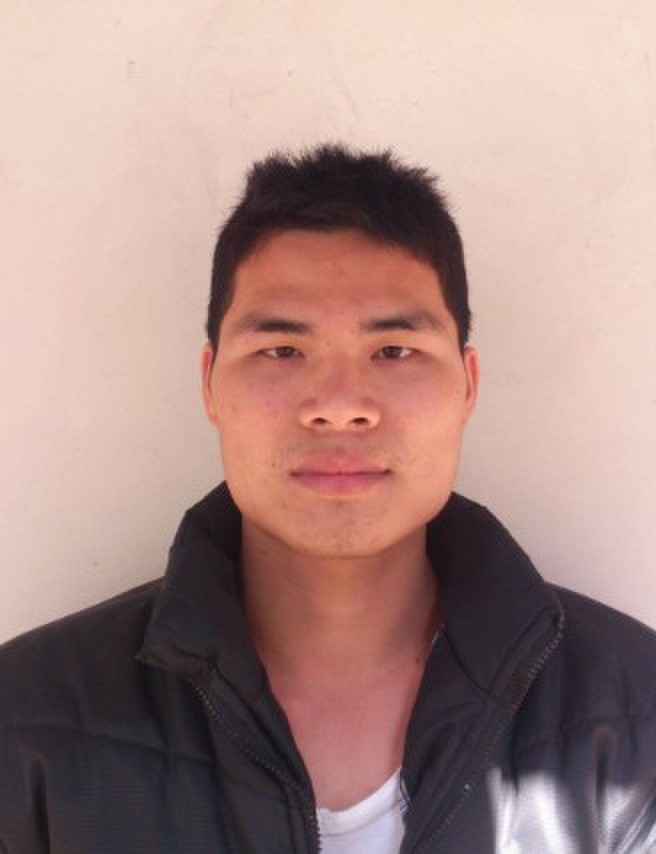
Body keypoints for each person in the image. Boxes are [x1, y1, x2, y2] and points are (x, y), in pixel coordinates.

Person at [1, 145, 655, 853]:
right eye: (282, 351)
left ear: (467, 386)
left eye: (394, 350)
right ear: (210, 384)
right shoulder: (27, 724)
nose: (340, 407)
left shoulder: (634, 713)